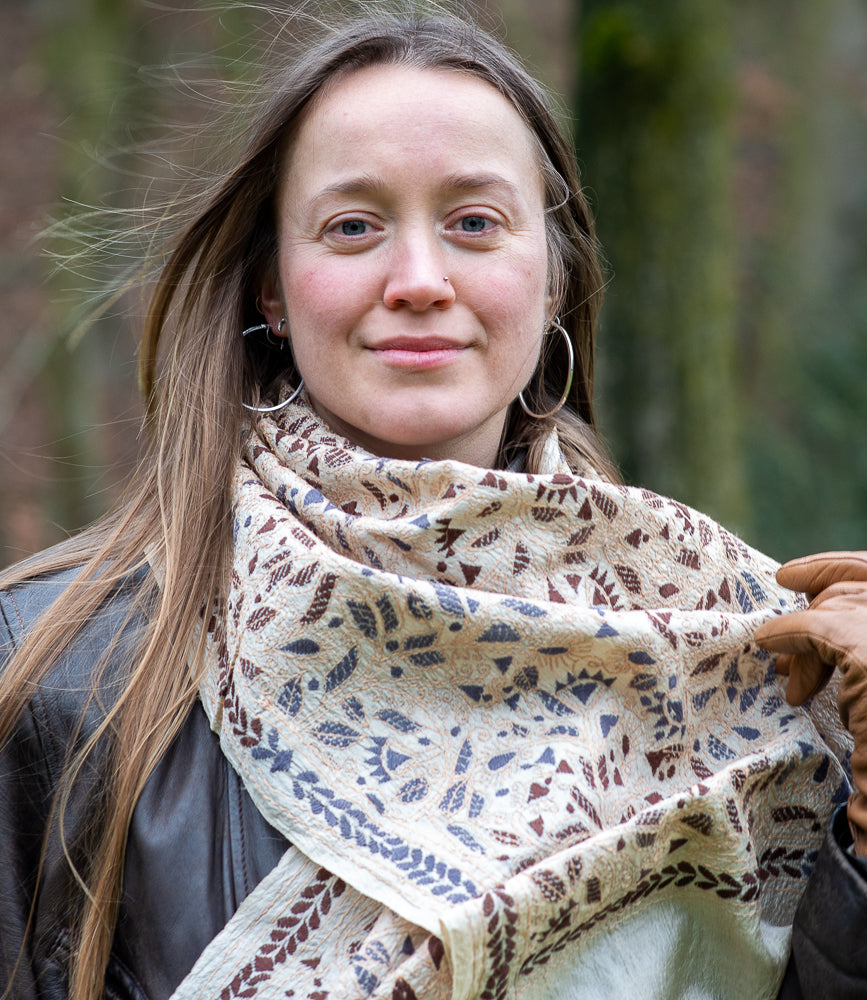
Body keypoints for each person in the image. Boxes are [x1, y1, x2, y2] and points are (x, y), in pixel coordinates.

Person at [1, 11, 865, 1000]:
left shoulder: (745, 663)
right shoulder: (58, 677)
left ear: (552, 279)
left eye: (474, 223)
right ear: (273, 290)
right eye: (354, 226)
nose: (417, 280)